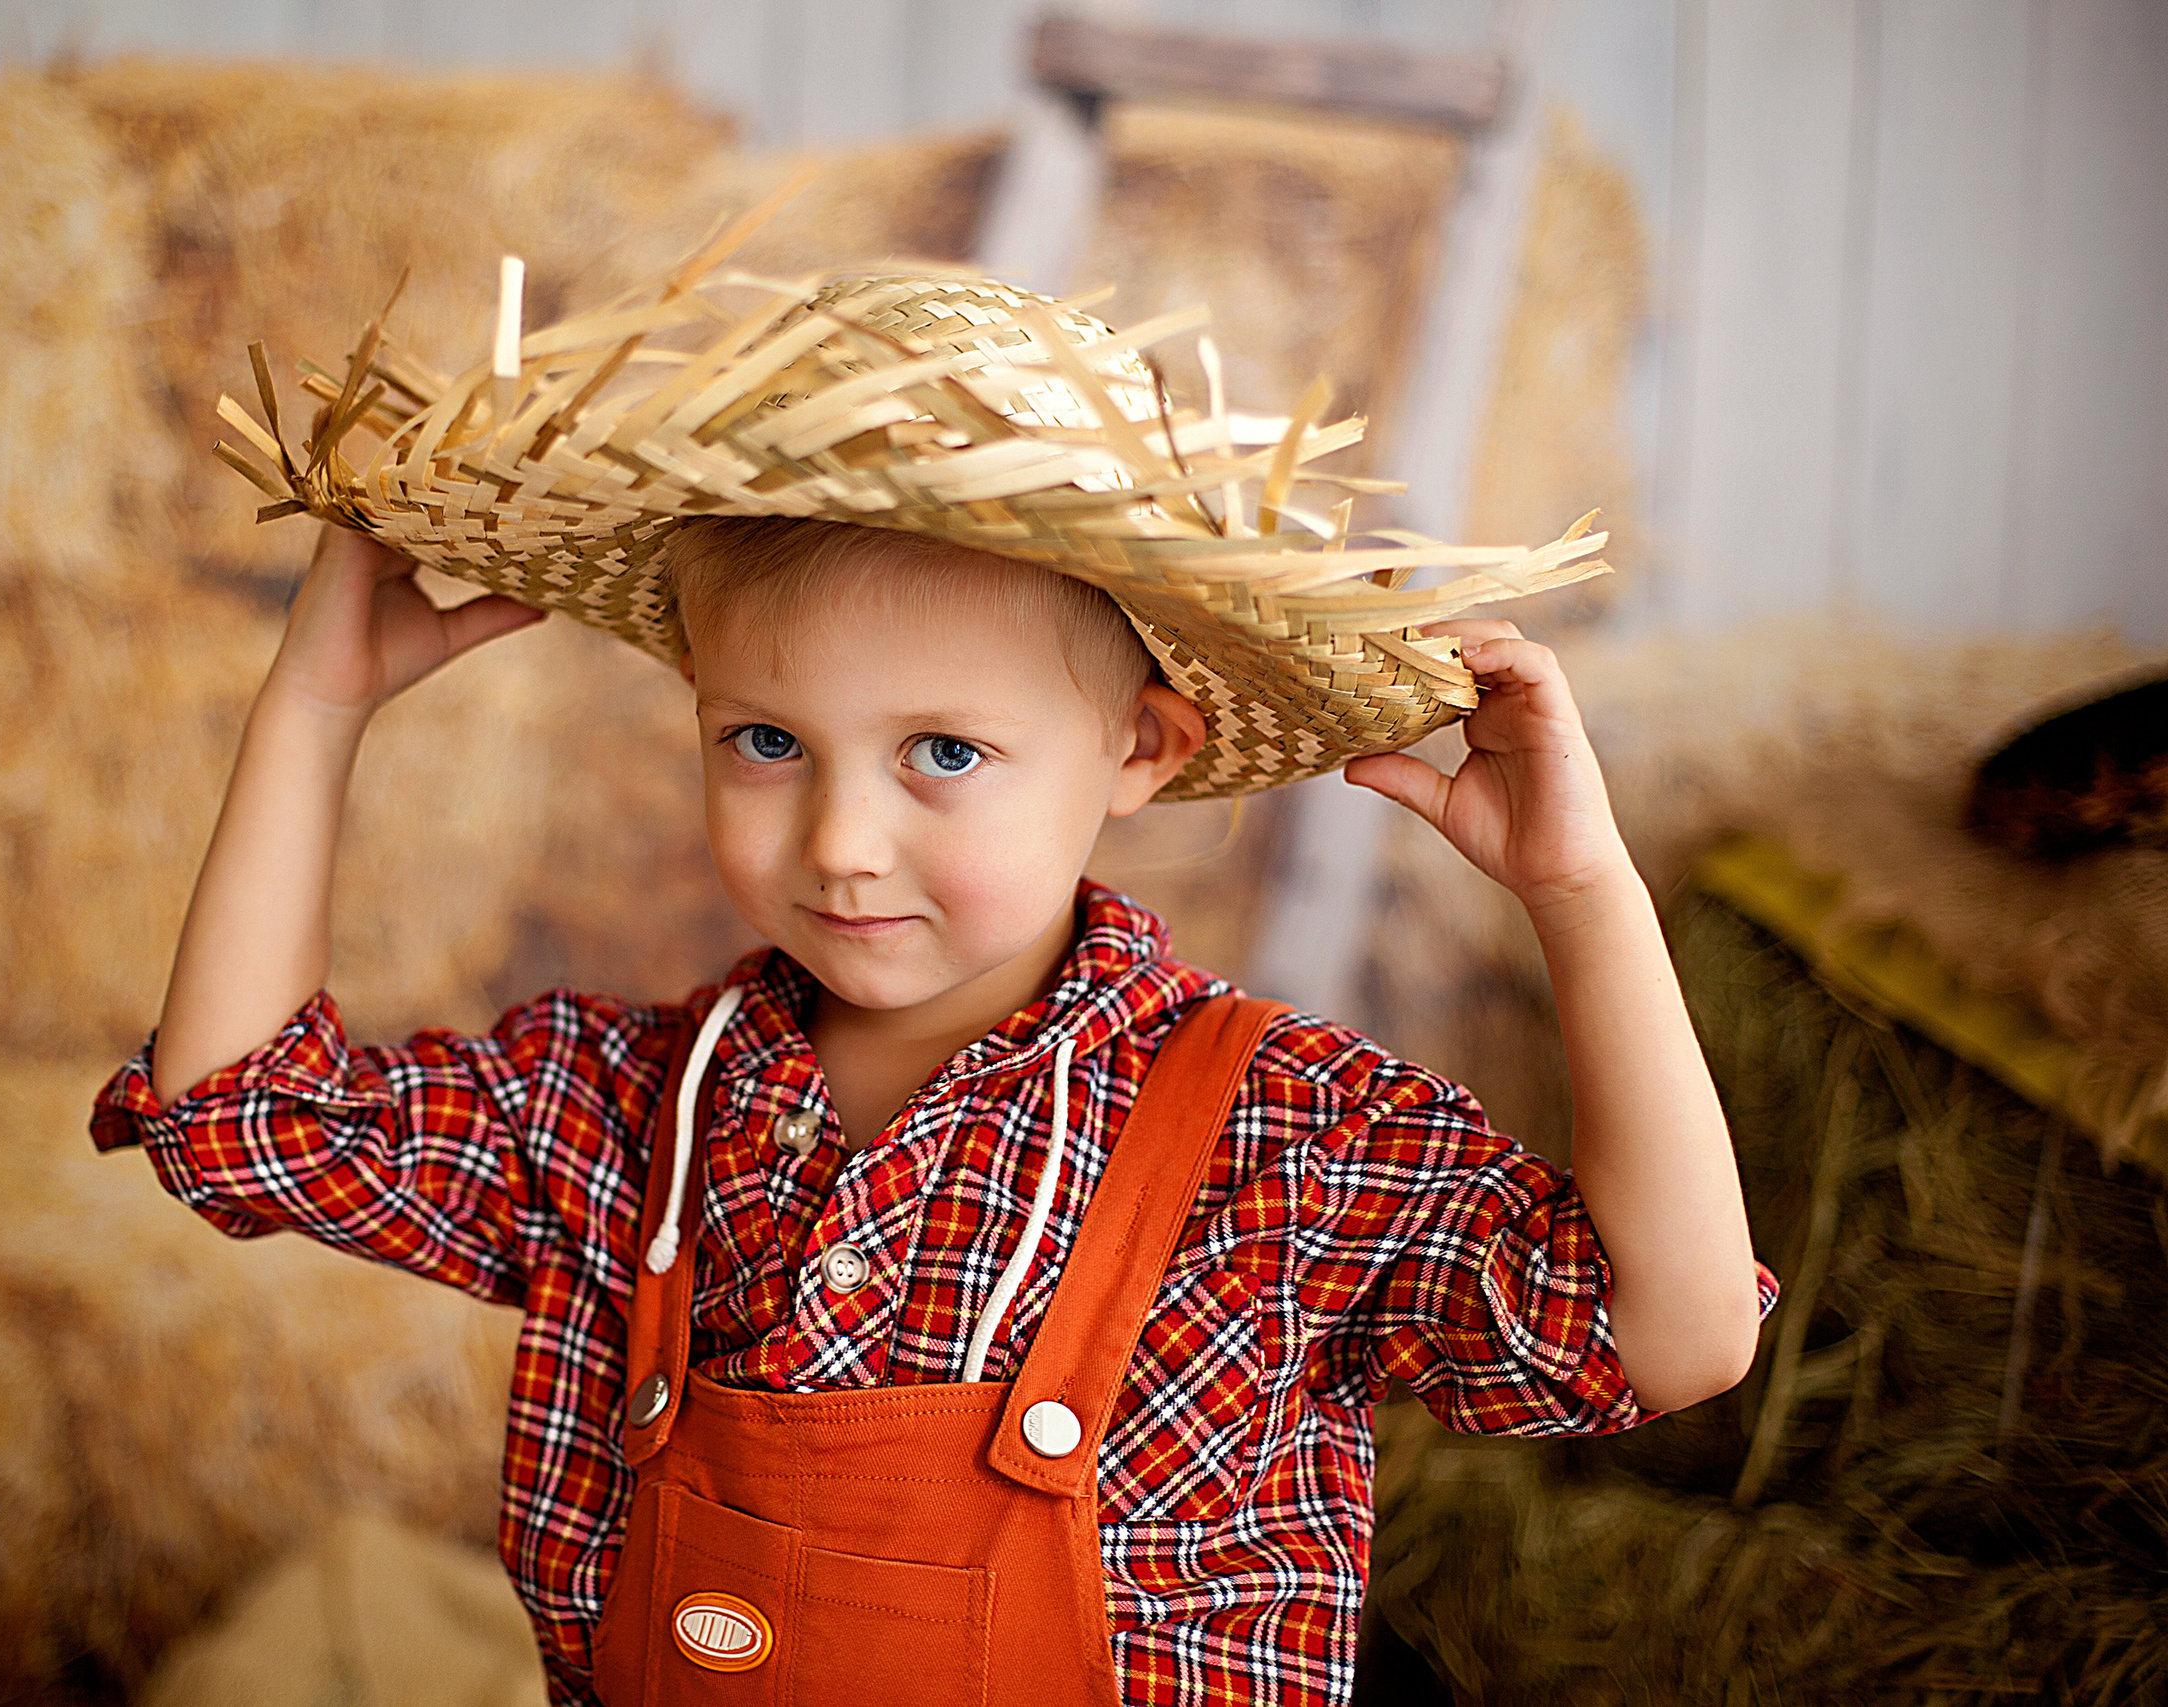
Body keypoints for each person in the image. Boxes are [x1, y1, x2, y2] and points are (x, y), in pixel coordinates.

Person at [93, 267, 1771, 1706]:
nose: (841, 842)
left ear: (1140, 747)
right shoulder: (628, 1115)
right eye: (766, 741)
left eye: (943, 754)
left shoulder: (1269, 1137)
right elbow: (239, 1121)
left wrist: (1582, 896)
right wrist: (313, 714)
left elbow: (1667, 1334)